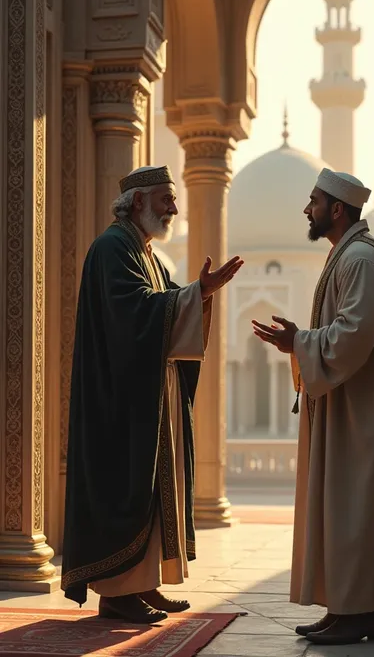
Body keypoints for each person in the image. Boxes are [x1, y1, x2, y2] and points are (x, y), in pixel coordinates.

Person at [61, 165, 243, 624]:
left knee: (152, 489)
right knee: (127, 490)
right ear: (138, 201)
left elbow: (162, 305)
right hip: (119, 401)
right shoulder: (111, 248)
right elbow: (133, 313)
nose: (174, 208)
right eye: (166, 199)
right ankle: (118, 593)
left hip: (147, 393)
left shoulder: (144, 252)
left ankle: (142, 584)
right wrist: (197, 291)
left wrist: (197, 295)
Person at [252, 168, 374, 646]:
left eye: (313, 201)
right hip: (345, 406)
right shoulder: (346, 256)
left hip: (360, 414)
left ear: (337, 208)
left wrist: (300, 341)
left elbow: (354, 334)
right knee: (341, 510)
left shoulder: (362, 259)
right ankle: (346, 608)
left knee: (354, 510)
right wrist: (300, 345)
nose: (306, 209)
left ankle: (362, 613)